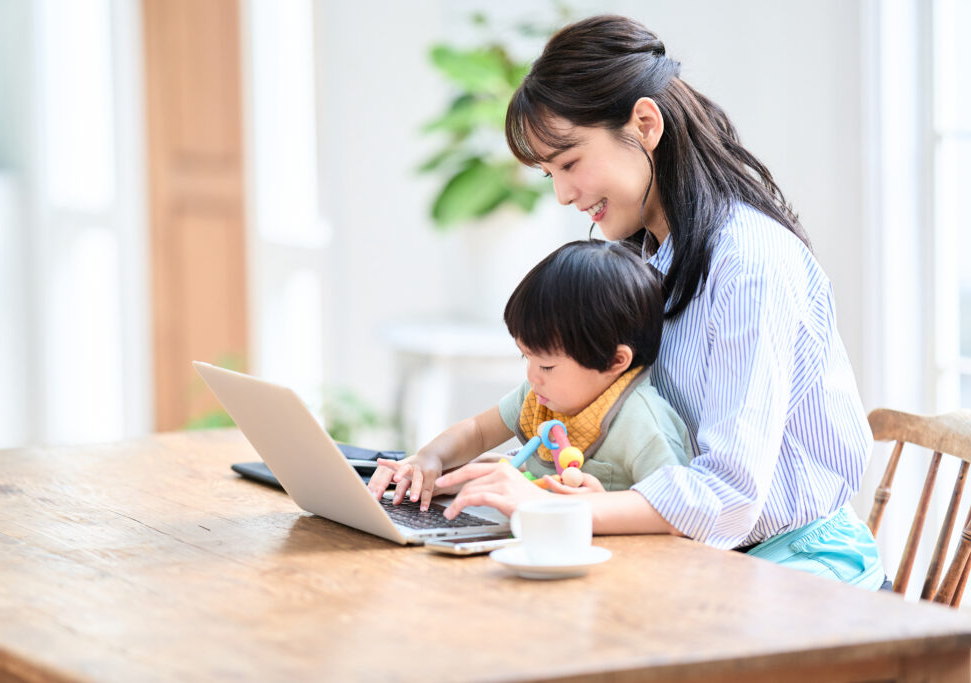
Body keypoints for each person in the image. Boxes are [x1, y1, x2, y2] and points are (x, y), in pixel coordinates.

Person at [428, 14, 886, 590]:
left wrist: (550, 508)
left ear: (645, 123)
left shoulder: (751, 261)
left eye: (569, 162)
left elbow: (729, 494)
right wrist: (491, 475)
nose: (564, 194)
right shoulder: (647, 258)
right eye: (550, 174)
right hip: (701, 557)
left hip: (800, 569)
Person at [367, 239, 692, 511]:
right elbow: (478, 431)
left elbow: (673, 510)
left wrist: (599, 505)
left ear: (615, 361)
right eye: (527, 357)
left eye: (547, 365)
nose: (532, 376)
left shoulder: (643, 423)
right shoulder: (540, 396)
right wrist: (430, 458)